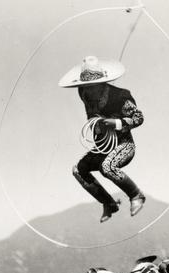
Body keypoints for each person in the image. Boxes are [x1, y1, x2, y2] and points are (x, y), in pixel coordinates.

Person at [59, 56, 146, 222]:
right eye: (85, 87)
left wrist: (117, 123)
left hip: (123, 145)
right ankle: (108, 203)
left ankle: (136, 195)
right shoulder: (84, 94)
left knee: (107, 166)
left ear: (102, 83)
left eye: (92, 86)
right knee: (79, 169)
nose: (89, 91)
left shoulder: (120, 96)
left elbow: (138, 117)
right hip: (103, 147)